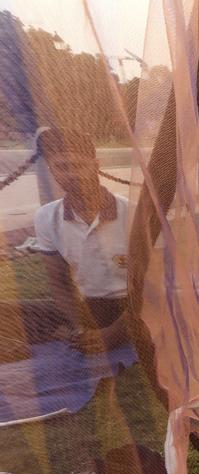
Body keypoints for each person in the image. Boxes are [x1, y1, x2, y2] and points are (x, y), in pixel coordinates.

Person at [30, 129, 131, 353]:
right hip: (91, 307)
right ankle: (73, 332)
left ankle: (125, 332)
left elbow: (156, 287)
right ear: (51, 170)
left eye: (78, 165)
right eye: (62, 167)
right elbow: (59, 282)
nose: (71, 174)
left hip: (136, 306)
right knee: (10, 313)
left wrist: (115, 333)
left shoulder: (133, 212)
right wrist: (79, 328)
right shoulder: (46, 217)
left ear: (96, 165)